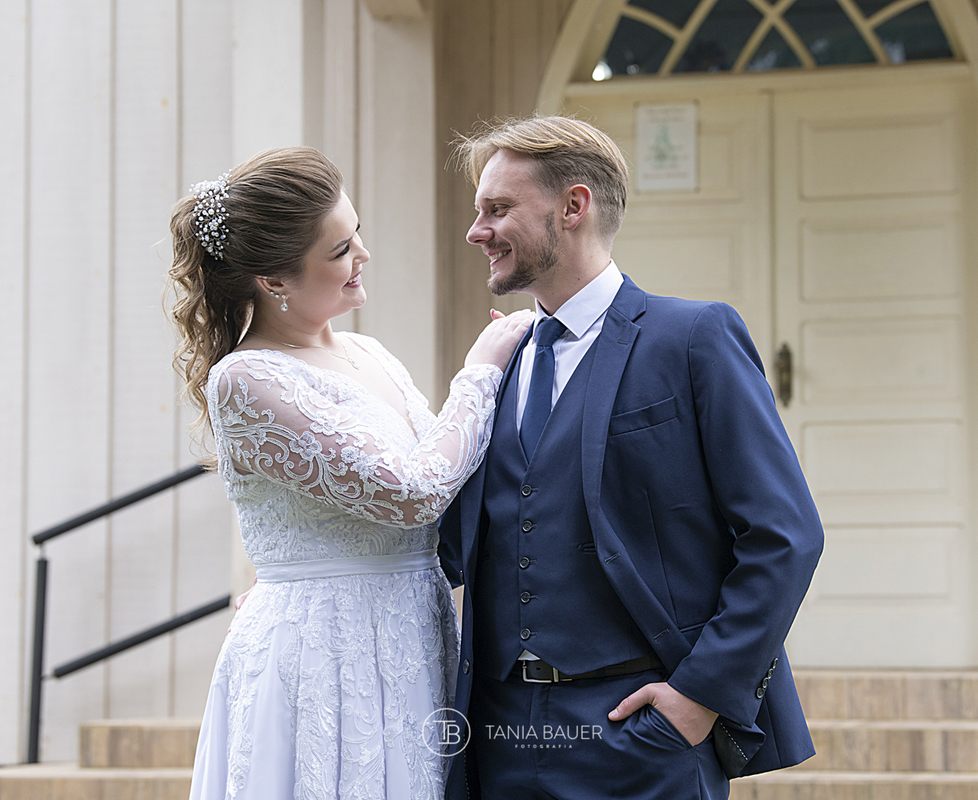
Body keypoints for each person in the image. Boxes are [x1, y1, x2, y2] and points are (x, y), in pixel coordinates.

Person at [436, 116, 824, 800]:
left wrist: (698, 698)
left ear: (574, 206)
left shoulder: (692, 338)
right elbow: (450, 544)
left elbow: (785, 534)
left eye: (497, 209)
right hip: (498, 739)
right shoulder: (498, 364)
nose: (476, 231)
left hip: (641, 740)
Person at [167, 146, 531, 800]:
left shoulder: (371, 354)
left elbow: (450, 474)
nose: (363, 254)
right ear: (273, 280)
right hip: (325, 654)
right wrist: (481, 371)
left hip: (416, 635)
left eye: (356, 232)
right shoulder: (246, 379)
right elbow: (411, 493)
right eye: (339, 250)